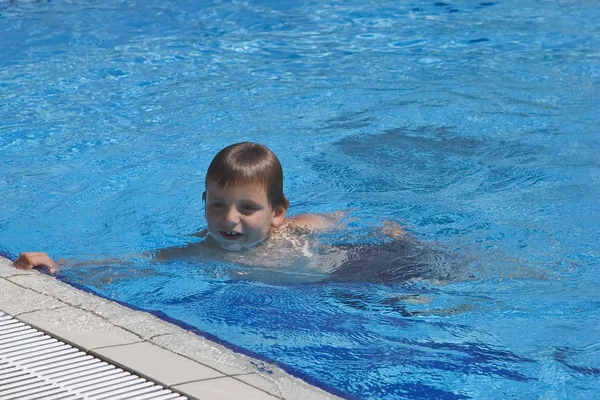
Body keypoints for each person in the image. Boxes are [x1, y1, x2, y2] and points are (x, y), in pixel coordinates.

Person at [14, 142, 447, 284]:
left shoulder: (298, 228)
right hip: (321, 290)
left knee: (428, 282)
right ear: (203, 203)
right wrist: (60, 265)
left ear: (278, 213)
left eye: (248, 208)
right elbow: (138, 264)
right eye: (217, 205)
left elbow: (349, 217)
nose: (230, 220)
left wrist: (393, 233)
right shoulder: (208, 252)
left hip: (361, 267)